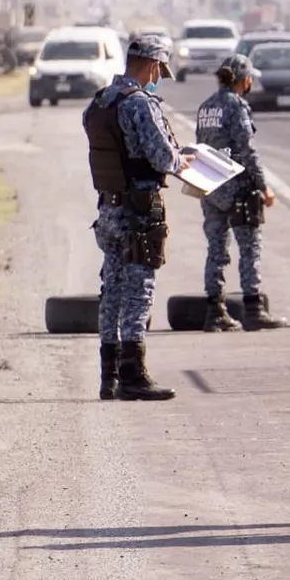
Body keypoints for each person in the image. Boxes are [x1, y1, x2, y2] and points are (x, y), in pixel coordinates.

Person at [83, 34, 194, 402]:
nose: (157, 77)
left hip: (108, 210)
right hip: (138, 212)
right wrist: (183, 162)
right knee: (138, 291)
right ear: (151, 65)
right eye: (159, 70)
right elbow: (163, 158)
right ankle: (134, 374)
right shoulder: (140, 104)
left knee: (111, 290)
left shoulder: (100, 102)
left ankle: (108, 375)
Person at [194, 54, 285, 332]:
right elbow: (247, 150)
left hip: (209, 184)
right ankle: (253, 309)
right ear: (244, 80)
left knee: (216, 249)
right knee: (249, 249)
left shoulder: (206, 107)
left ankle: (214, 312)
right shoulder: (236, 106)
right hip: (237, 188)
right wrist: (263, 186)